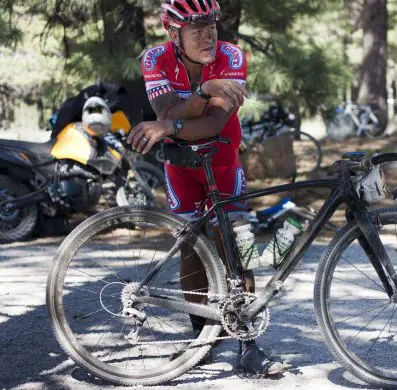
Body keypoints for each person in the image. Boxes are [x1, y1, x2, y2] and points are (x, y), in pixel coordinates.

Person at [126, 0, 288, 376]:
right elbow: (166, 112)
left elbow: (214, 122)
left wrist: (175, 120)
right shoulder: (155, 60)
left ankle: (247, 342)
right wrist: (201, 91)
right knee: (190, 249)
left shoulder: (231, 56)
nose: (208, 36)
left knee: (236, 247)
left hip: (223, 159)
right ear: (174, 34)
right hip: (181, 167)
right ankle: (201, 337)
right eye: (196, 30)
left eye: (211, 26)